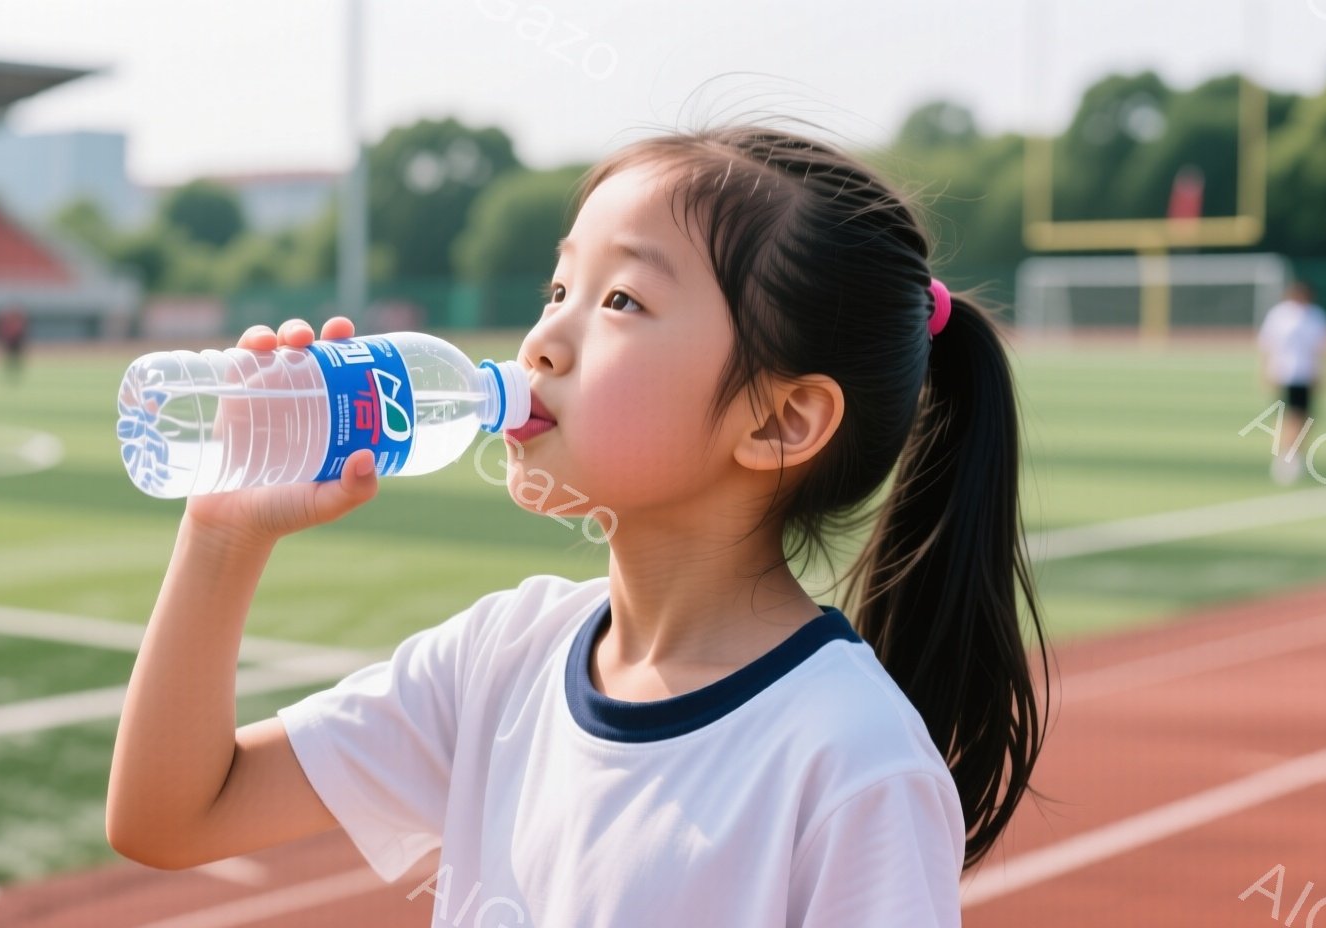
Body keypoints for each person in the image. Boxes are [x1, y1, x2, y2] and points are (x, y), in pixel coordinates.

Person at [108, 125, 1052, 925]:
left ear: (777, 421)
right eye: (558, 290)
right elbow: (174, 815)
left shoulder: (850, 761)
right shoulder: (500, 656)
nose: (543, 340)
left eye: (621, 301)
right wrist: (225, 534)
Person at [1256, 280, 1326, 485]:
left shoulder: (1315, 315)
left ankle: (1295, 454)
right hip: (1285, 373)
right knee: (1290, 416)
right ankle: (1285, 457)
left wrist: (1322, 373)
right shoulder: (1280, 315)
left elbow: (1320, 349)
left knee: (1305, 418)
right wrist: (1266, 371)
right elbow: (1267, 344)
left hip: (1306, 373)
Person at [0, 305, 29, 384]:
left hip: (16, 340)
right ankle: (9, 372)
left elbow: (22, 330)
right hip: (9, 340)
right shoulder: (7, 320)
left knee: (17, 357)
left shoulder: (18, 319)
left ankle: (16, 372)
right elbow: (1, 329)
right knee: (8, 357)